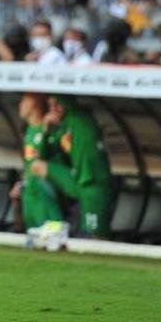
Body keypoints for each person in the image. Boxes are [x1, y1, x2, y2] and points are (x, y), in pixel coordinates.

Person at [29, 95, 112, 237]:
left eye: (57, 104)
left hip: (92, 182)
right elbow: (44, 155)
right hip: (76, 178)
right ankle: (54, 224)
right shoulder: (62, 128)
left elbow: (70, 106)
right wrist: (46, 130)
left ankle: (61, 228)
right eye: (50, 106)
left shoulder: (78, 119)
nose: (54, 109)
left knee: (96, 233)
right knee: (37, 167)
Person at [10, 92, 66, 243]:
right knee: (33, 242)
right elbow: (30, 164)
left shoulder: (50, 131)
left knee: (52, 238)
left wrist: (46, 132)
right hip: (30, 194)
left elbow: (56, 162)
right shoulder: (29, 131)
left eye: (24, 101)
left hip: (44, 194)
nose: (20, 105)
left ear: (34, 105)